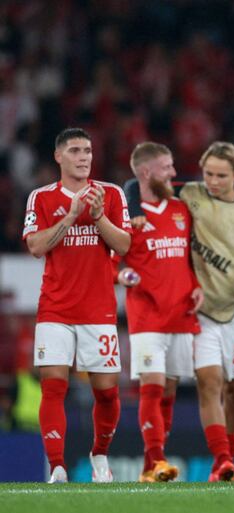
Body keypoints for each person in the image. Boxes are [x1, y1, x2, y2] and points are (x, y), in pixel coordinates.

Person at [125, 141, 234, 481]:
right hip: (201, 310)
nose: (213, 181)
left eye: (221, 175)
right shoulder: (190, 193)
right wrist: (133, 204)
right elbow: (138, 181)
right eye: (208, 173)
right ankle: (221, 458)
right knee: (210, 382)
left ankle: (228, 462)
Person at [23, 128, 131, 483]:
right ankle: (57, 466)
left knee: (107, 392)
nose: (84, 156)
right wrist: (69, 217)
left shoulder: (111, 194)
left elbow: (125, 246)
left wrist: (98, 217)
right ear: (59, 157)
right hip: (54, 308)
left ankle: (99, 455)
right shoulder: (40, 197)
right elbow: (36, 246)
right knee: (53, 386)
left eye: (87, 150)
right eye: (75, 150)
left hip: (98, 309)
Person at [118, 142, 204, 483]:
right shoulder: (129, 218)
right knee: (152, 388)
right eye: (166, 167)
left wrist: (196, 284)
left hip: (181, 314)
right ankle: (157, 459)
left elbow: (187, 257)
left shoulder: (182, 209)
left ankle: (148, 466)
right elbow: (111, 261)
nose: (172, 173)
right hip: (147, 316)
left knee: (168, 392)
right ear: (145, 173)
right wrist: (119, 275)